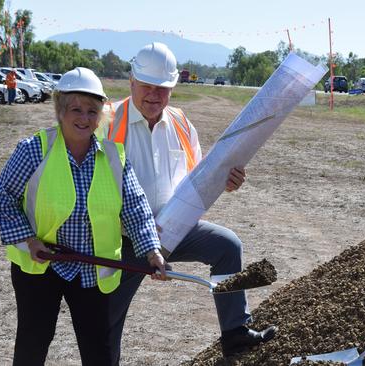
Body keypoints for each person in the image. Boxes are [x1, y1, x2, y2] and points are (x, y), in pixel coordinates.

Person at [102, 42, 276, 359]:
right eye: (147, 86)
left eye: (163, 88)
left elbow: (198, 180)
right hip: (121, 239)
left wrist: (226, 182)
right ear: (131, 81)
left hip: (174, 229)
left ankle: (235, 333)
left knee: (227, 246)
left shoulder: (181, 122)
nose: (154, 96)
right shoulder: (106, 121)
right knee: (105, 326)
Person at [0, 67, 167, 366]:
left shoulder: (114, 157)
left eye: (91, 111)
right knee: (33, 342)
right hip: (42, 265)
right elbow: (3, 198)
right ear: (60, 111)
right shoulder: (35, 150)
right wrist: (29, 240)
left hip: (91, 269)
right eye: (76, 109)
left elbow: (136, 207)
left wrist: (152, 251)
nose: (84, 118)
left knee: (99, 348)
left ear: (101, 116)